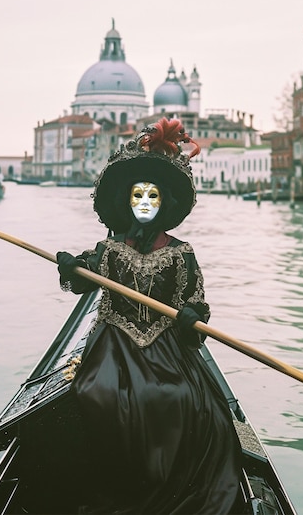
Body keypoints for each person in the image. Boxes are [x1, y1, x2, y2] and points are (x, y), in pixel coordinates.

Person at [56, 117, 243, 514]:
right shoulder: (107, 252)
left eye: (152, 197)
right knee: (98, 394)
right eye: (137, 195)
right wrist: (72, 267)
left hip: (166, 346)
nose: (143, 203)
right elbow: (82, 283)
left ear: (163, 203)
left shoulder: (181, 252)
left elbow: (195, 304)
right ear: (127, 200)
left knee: (185, 400)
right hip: (114, 343)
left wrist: (191, 317)